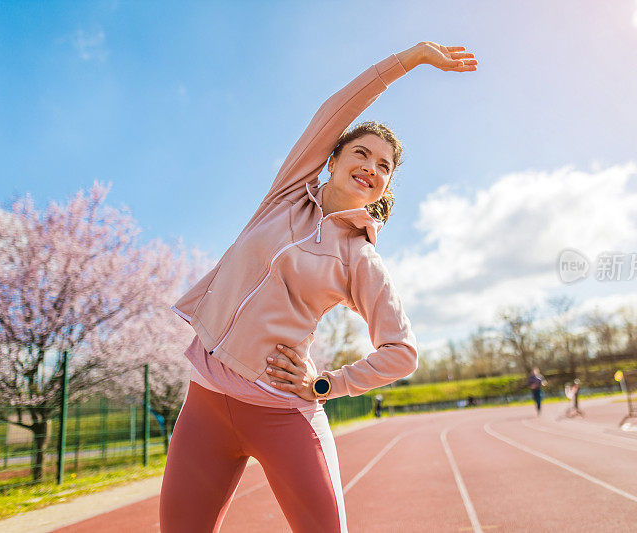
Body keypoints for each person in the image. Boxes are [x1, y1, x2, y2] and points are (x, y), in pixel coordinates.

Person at [159, 42, 478, 533]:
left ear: (385, 187)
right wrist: (411, 59)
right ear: (332, 160)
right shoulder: (287, 193)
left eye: (384, 166)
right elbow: (339, 108)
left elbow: (402, 351)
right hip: (205, 400)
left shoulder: (360, 258)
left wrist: (326, 384)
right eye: (362, 153)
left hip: (281, 410)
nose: (371, 167)